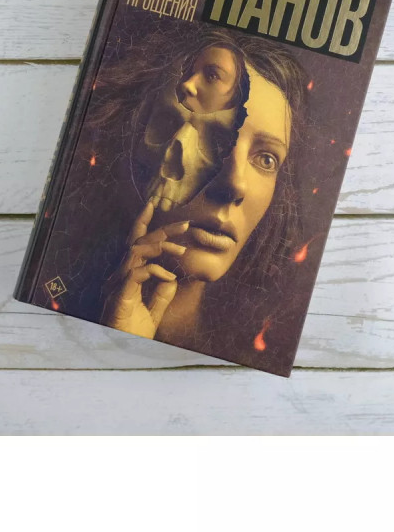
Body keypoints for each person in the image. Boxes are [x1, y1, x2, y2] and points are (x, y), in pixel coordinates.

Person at [58, 24, 309, 362]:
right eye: (213, 138)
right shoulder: (57, 301)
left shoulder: (258, 352)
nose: (235, 185)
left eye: (266, 158)